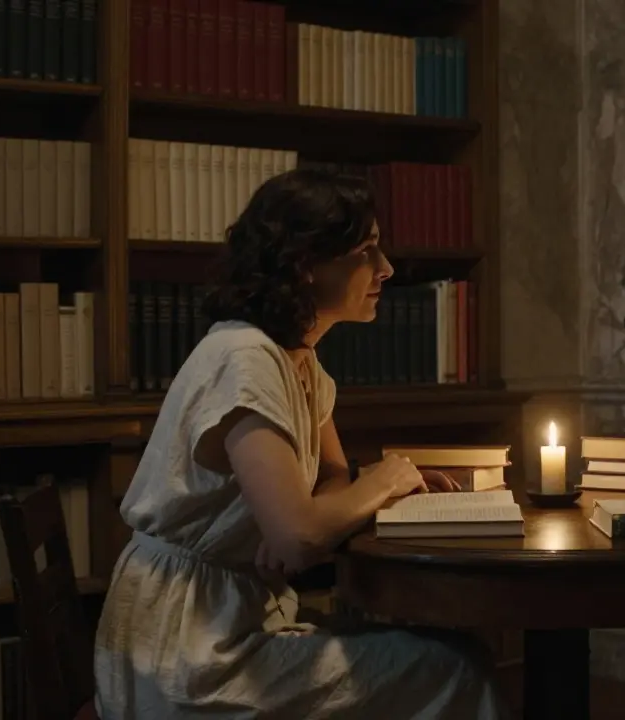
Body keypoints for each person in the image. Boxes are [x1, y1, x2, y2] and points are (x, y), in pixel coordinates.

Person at [93, 170, 508, 719]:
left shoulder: (298, 360)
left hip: (230, 621)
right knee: (456, 670)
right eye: (366, 251)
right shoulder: (246, 360)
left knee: (453, 654)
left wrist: (307, 517)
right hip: (185, 651)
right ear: (306, 266)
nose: (385, 269)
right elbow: (300, 537)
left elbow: (328, 483)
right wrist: (385, 479)